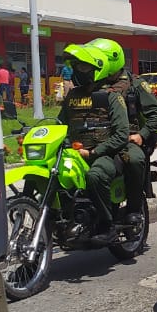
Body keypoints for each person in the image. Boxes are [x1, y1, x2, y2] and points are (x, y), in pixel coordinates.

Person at [82, 38, 157, 229]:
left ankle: (134, 209)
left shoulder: (135, 84)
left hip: (129, 138)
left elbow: (156, 114)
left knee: (134, 160)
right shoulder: (95, 84)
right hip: (99, 137)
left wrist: (141, 135)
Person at [58, 44, 130, 239]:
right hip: (74, 154)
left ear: (96, 70)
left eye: (82, 67)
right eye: (75, 67)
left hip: (105, 154)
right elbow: (59, 124)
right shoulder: (72, 96)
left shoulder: (110, 96)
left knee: (95, 176)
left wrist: (94, 152)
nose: (77, 72)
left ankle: (108, 226)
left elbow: (122, 133)